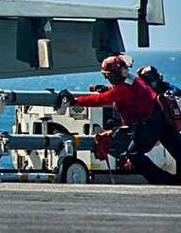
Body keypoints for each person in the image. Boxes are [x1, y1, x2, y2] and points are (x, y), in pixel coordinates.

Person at [68, 55, 181, 185]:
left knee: (134, 154)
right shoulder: (132, 80)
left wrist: (75, 101)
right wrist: (108, 90)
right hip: (160, 117)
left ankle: (166, 181)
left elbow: (102, 99)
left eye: (109, 75)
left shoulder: (124, 88)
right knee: (177, 148)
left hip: (150, 123)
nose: (108, 79)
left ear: (117, 74)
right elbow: (120, 92)